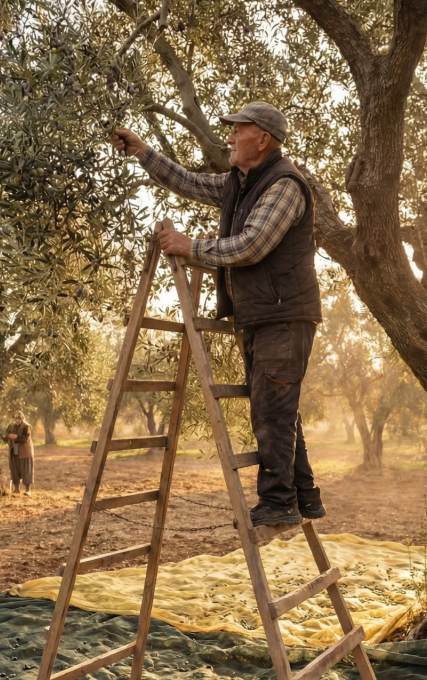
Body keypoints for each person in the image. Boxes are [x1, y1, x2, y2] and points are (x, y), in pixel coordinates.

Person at [112, 101, 326, 528]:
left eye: (237, 130)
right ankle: (304, 496)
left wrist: (191, 247)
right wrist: (142, 150)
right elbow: (189, 182)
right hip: (262, 316)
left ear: (262, 139)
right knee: (278, 406)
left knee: (273, 411)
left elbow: (252, 245)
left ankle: (279, 503)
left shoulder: (284, 184)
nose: (228, 137)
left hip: (283, 316)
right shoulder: (240, 182)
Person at [5, 410, 34, 496]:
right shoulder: (11, 426)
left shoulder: (27, 426)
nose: (17, 420)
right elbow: (6, 435)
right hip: (14, 451)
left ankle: (28, 490)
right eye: (15, 418)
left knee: (26, 470)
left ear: (22, 418)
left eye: (19, 418)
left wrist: (15, 437)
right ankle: (16, 489)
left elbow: (26, 438)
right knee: (15, 470)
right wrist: (6, 437)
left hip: (25, 452)